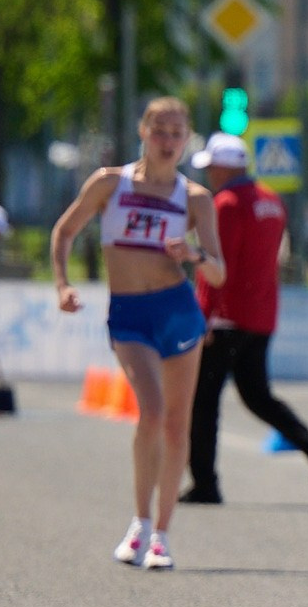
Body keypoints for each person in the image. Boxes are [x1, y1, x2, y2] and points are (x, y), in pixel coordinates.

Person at [50, 98, 226, 571]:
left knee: (176, 424)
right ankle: (139, 521)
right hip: (129, 314)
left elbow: (218, 272)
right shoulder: (110, 183)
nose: (168, 141)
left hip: (178, 313)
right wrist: (63, 284)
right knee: (151, 411)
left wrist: (193, 254)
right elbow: (64, 231)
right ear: (143, 132)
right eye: (160, 131)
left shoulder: (195, 198)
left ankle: (162, 535)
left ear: (186, 140)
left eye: (177, 133)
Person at [183, 133, 308, 504]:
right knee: (257, 396)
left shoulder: (225, 204)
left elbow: (216, 266)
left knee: (203, 400)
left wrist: (203, 316)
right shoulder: (271, 201)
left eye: (212, 168)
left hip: (226, 317)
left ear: (225, 168)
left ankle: (205, 483)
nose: (210, 175)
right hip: (262, 313)